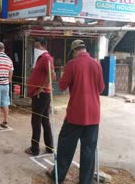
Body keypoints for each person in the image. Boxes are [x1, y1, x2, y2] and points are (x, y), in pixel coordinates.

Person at [46, 39, 105, 184]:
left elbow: (62, 85)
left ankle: (58, 176)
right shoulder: (96, 64)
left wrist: (57, 77)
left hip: (75, 114)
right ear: (85, 49)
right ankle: (86, 181)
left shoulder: (72, 64)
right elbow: (101, 88)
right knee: (89, 149)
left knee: (65, 146)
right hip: (93, 115)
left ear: (74, 51)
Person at [25, 37, 54, 156]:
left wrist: (41, 88)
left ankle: (34, 148)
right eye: (34, 46)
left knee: (36, 121)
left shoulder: (46, 57)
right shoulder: (40, 58)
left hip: (41, 95)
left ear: (43, 46)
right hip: (40, 94)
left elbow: (51, 74)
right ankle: (49, 147)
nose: (35, 48)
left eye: (37, 46)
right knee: (44, 120)